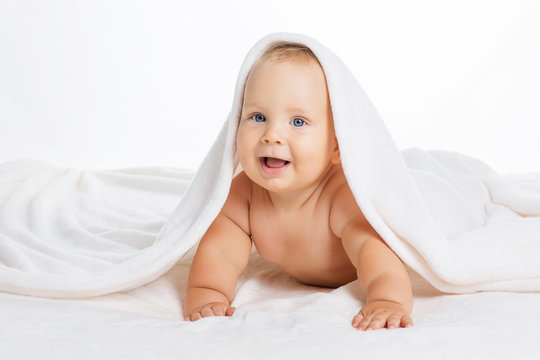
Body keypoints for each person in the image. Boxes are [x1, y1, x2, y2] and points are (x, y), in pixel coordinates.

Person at [184, 41, 414, 330]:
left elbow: (375, 251)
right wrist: (207, 295)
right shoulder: (243, 196)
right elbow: (219, 253)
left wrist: (387, 300)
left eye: (298, 121)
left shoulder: (342, 197)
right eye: (258, 117)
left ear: (338, 144)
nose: (272, 135)